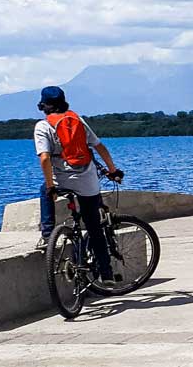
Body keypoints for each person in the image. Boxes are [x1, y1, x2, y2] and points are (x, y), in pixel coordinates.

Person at [33, 86, 123, 285]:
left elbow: (45, 159)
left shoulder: (43, 126)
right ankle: (106, 274)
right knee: (94, 227)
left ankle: (48, 235)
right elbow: (99, 147)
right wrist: (112, 170)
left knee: (43, 189)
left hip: (63, 179)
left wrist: (51, 186)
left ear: (43, 106)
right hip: (87, 180)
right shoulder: (77, 120)